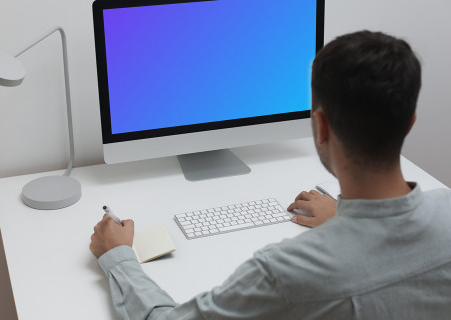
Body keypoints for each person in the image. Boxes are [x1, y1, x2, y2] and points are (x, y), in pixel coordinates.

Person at [90, 31, 451, 319]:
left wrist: (118, 257)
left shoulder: (284, 273)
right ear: (409, 124)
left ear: (321, 127)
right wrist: (346, 220)